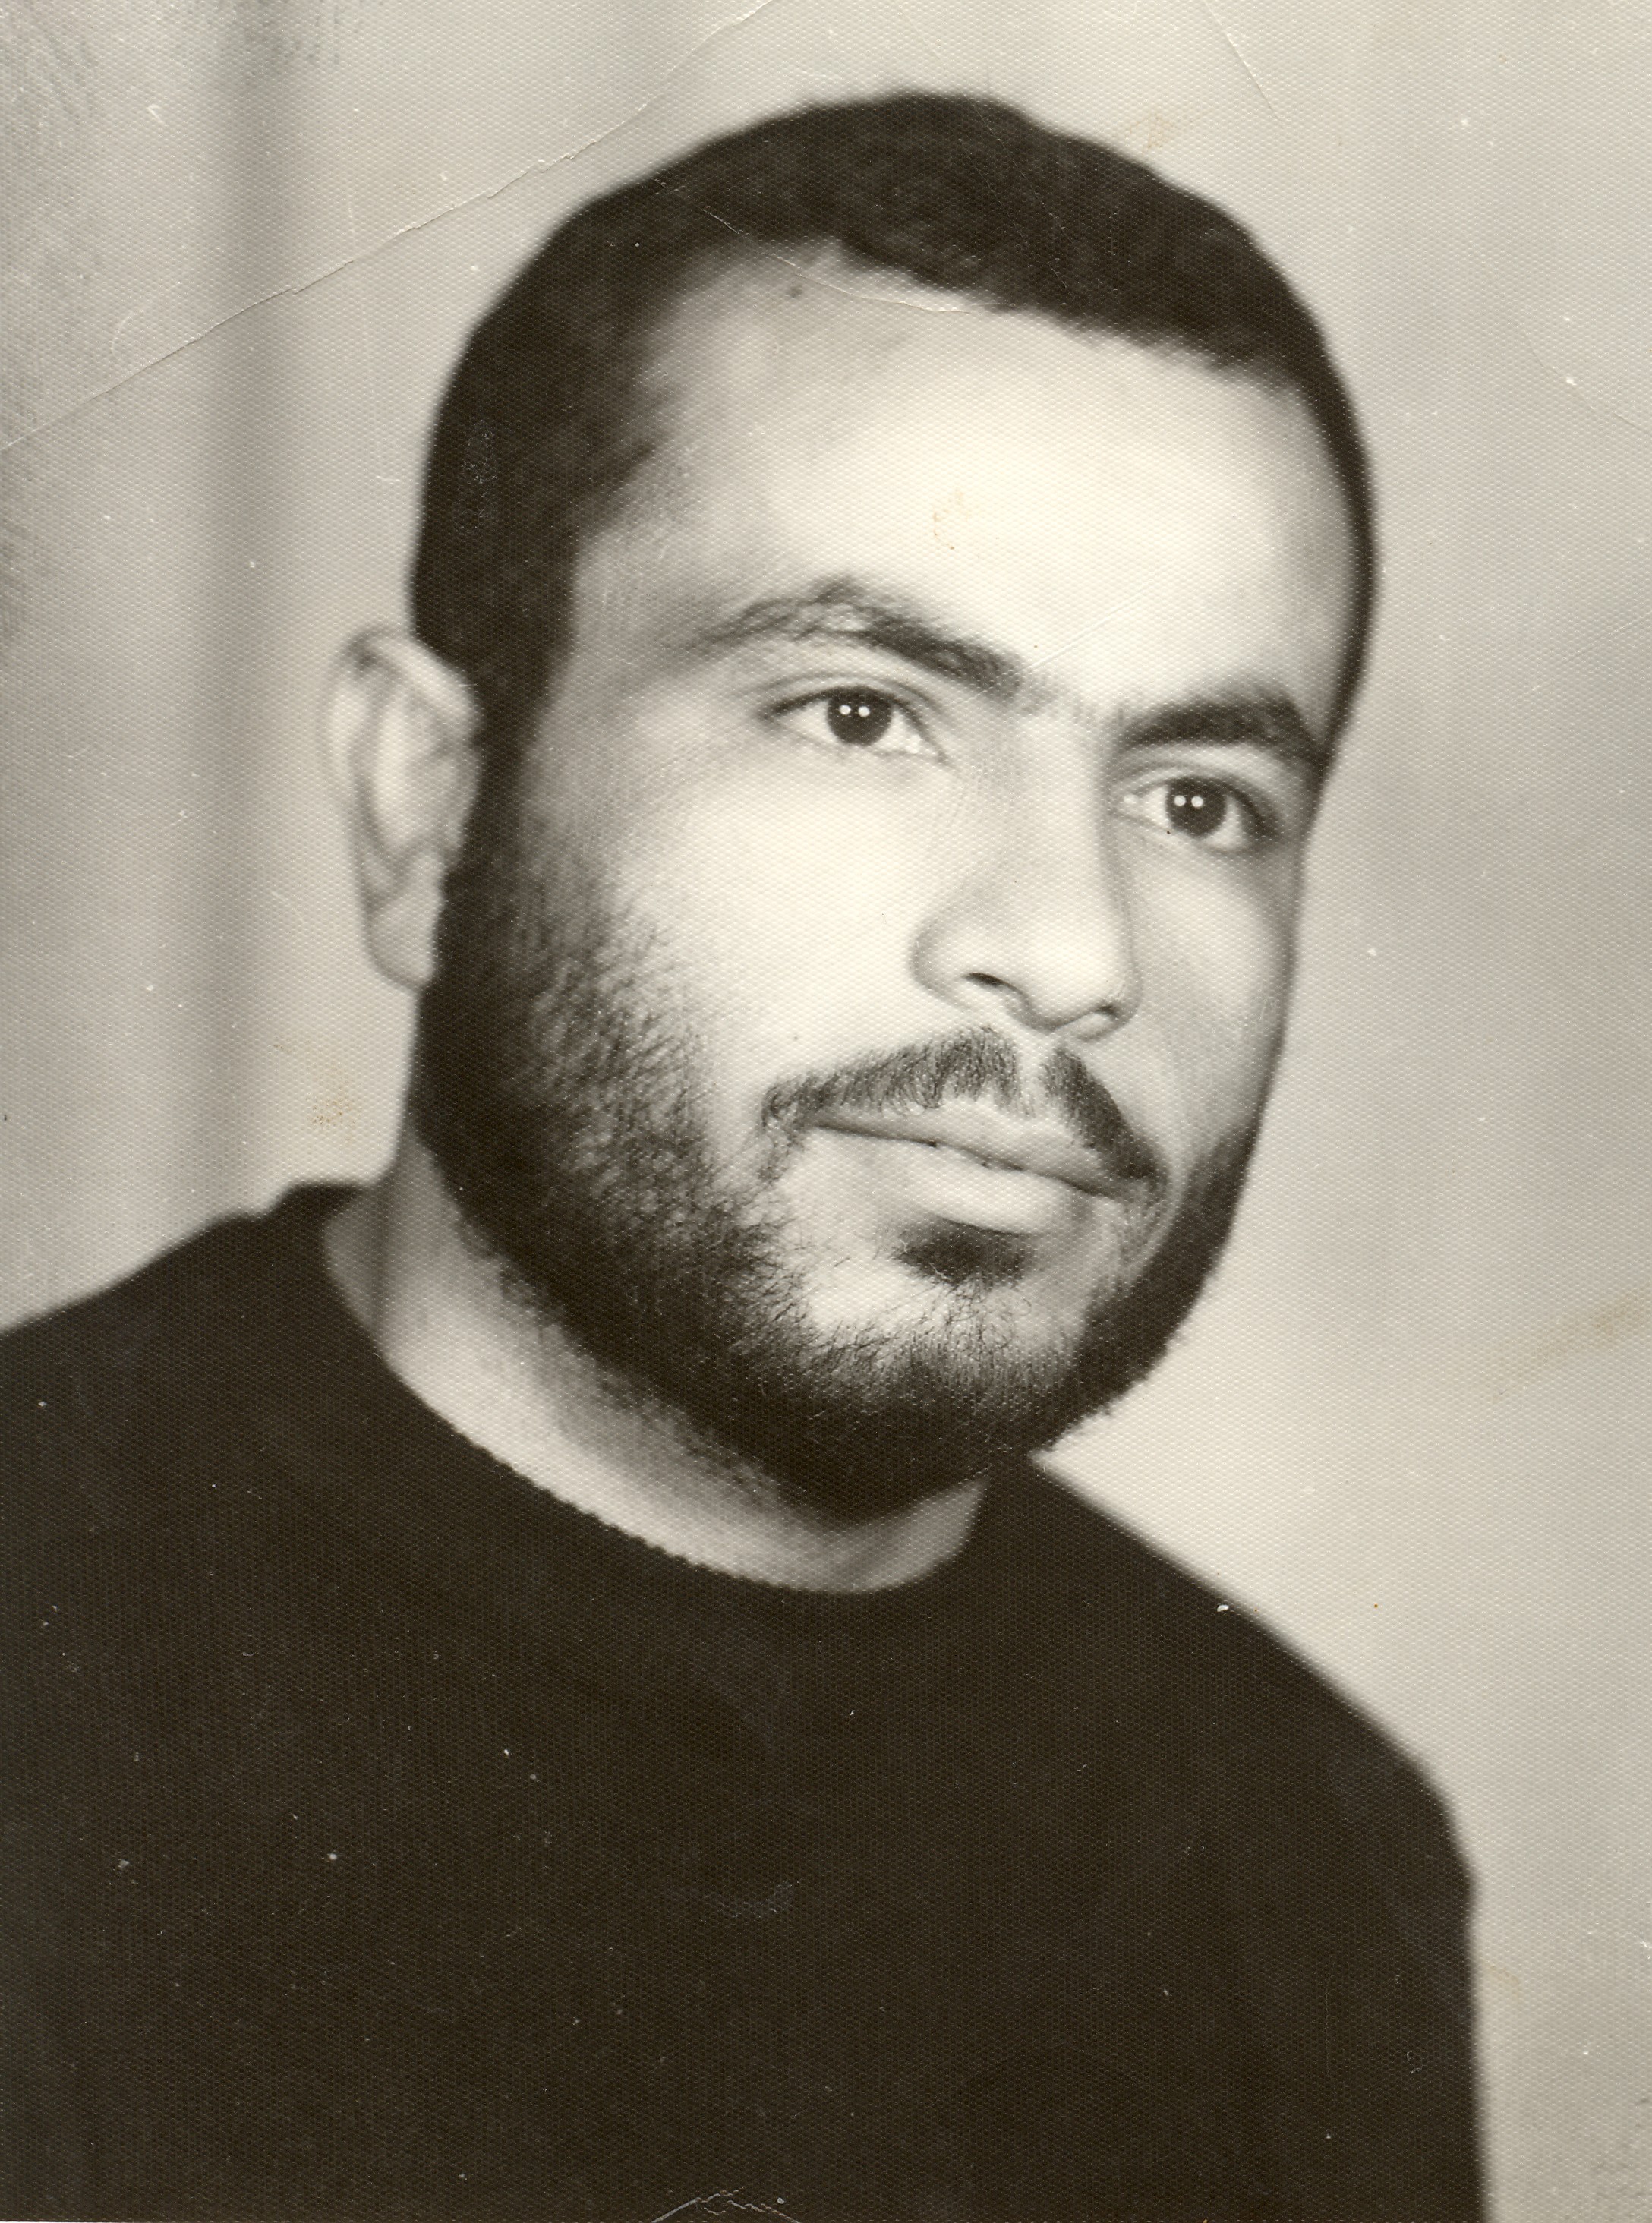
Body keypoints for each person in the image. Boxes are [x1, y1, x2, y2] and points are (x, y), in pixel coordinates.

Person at [0, 93, 1483, 2221]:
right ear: (428, 805)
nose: (1071, 953)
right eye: (862, 712)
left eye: (1199, 800)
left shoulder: (1310, 1862)